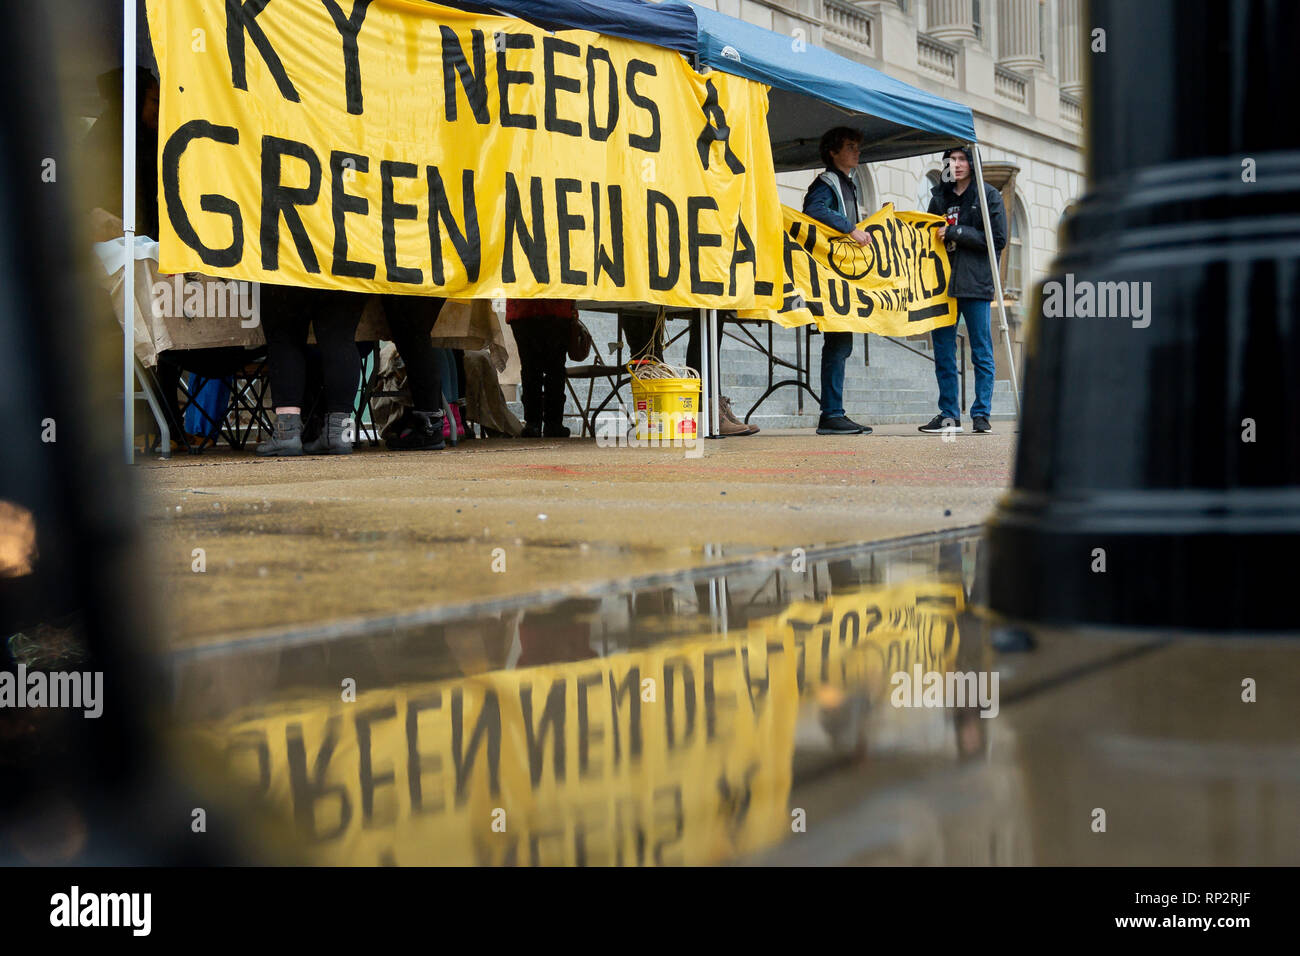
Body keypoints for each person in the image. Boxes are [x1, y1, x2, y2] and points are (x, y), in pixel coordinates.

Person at [919, 146, 1006, 435]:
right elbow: (925, 236)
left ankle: (981, 415)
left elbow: (997, 239)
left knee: (981, 350)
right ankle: (949, 415)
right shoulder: (939, 197)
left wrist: (956, 232)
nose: (955, 164)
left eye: (961, 159)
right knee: (943, 351)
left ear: (972, 162)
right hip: (941, 285)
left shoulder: (988, 195)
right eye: (951, 159)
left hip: (975, 283)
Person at [803, 127, 873, 436]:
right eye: (849, 146)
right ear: (833, 152)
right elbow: (814, 210)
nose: (856, 151)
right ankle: (831, 414)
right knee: (838, 342)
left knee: (841, 343)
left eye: (857, 146)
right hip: (832, 276)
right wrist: (850, 228)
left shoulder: (847, 184)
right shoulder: (827, 183)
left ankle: (834, 412)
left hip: (841, 275)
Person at [256, 287, 366, 456]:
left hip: (288, 268)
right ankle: (339, 435)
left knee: (285, 336)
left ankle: (287, 434)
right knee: (340, 336)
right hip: (347, 267)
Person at [506, 298, 574, 438]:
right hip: (556, 307)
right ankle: (552, 424)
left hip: (524, 307)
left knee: (531, 368)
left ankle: (533, 423)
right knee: (554, 369)